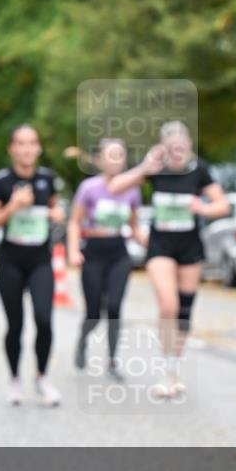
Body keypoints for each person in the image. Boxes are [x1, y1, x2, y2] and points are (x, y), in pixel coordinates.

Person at [107, 121, 230, 397]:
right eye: (171, 148)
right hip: (160, 245)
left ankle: (173, 367)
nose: (176, 152)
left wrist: (202, 208)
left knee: (184, 311)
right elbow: (114, 186)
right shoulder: (156, 168)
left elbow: (223, 205)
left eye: (181, 147)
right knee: (168, 306)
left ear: (188, 145)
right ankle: (165, 370)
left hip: (189, 248)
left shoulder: (199, 170)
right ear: (164, 148)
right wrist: (144, 168)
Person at [0, 124, 66, 407]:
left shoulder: (47, 179)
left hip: (40, 261)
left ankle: (42, 377)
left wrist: (57, 214)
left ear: (38, 148)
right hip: (10, 262)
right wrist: (12, 208)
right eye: (21, 143)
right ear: (12, 149)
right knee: (15, 324)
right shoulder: (2, 183)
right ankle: (15, 378)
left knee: (44, 320)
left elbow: (55, 209)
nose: (27, 149)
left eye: (32, 143)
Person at [67, 138, 149, 381]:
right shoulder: (89, 188)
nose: (115, 160)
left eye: (119, 155)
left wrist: (155, 247)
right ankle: (83, 340)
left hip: (118, 253)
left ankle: (112, 361)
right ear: (100, 160)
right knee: (93, 313)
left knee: (114, 307)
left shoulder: (132, 189)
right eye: (110, 155)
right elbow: (74, 222)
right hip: (93, 252)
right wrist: (73, 250)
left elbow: (134, 227)